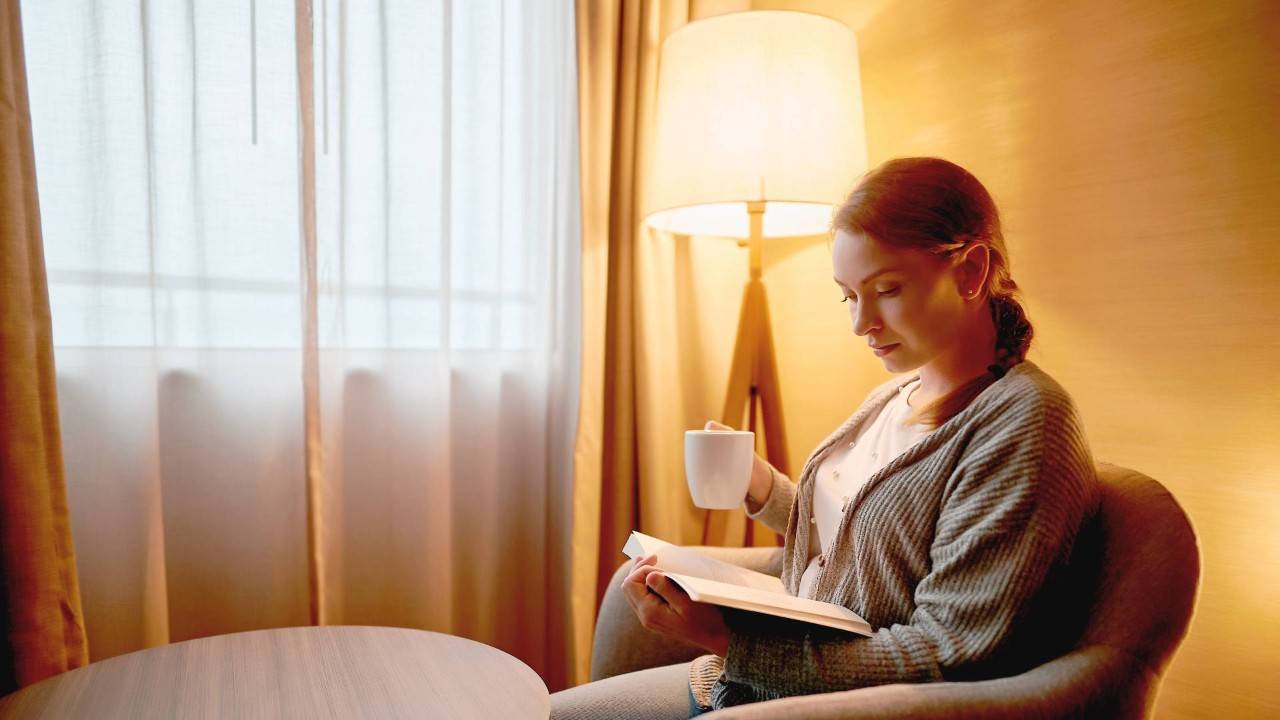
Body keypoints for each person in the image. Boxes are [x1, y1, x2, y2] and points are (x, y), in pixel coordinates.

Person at [549, 157, 1100, 718]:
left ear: (971, 271)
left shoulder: (1023, 425)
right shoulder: (899, 393)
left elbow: (949, 654)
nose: (861, 324)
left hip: (823, 705)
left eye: (886, 289)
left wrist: (728, 641)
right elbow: (857, 539)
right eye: (849, 296)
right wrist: (764, 487)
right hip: (753, 681)